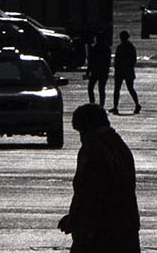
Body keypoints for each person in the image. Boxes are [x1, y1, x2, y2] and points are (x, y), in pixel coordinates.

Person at [57, 103, 141, 253]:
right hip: (125, 223)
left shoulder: (94, 149)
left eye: (81, 132)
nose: (81, 138)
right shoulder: (118, 144)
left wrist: (76, 219)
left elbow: (89, 191)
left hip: (99, 229)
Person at [110, 31, 139, 114]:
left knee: (117, 89)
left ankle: (115, 106)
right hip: (128, 70)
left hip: (121, 71)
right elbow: (133, 59)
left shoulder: (120, 47)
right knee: (130, 88)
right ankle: (137, 104)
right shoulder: (131, 47)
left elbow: (117, 60)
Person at [85, 34, 111, 105]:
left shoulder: (95, 48)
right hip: (103, 71)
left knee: (91, 87)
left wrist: (88, 71)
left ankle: (92, 102)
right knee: (101, 89)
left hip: (96, 71)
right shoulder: (106, 48)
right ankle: (101, 104)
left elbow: (91, 61)